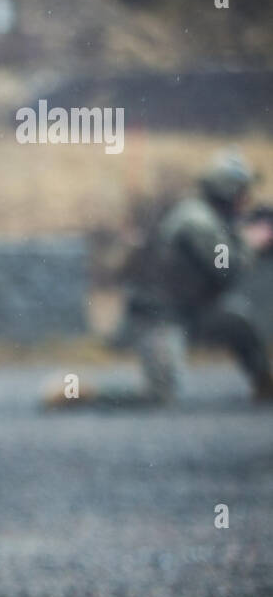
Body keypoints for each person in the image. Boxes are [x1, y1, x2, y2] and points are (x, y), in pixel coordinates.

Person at [52, 152, 273, 407]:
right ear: (228, 191)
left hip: (192, 312)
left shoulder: (211, 217)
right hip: (159, 316)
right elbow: (225, 269)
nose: (247, 200)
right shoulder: (197, 220)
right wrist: (250, 241)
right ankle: (78, 393)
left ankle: (265, 384)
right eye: (243, 192)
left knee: (238, 321)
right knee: (160, 396)